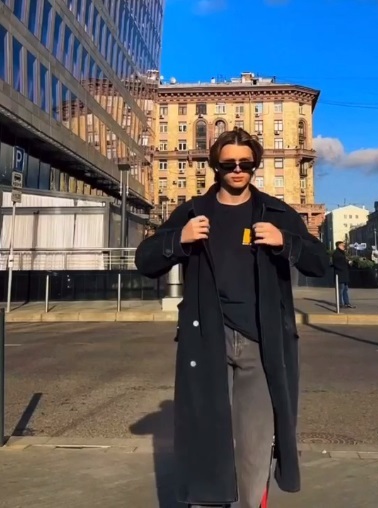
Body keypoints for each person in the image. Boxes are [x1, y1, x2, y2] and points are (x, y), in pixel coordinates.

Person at [135, 128, 329, 508]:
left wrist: (286, 242)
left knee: (255, 443)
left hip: (262, 342)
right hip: (208, 339)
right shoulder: (193, 212)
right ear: (215, 166)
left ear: (255, 166)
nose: (238, 170)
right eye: (229, 164)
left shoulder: (276, 213)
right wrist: (179, 239)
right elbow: (146, 261)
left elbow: (320, 263)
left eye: (246, 164)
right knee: (207, 438)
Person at [332, 241, 355, 308]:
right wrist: (344, 266)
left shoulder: (343, 253)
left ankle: (347, 303)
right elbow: (336, 264)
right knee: (340, 290)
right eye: (342, 245)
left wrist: (349, 263)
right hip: (340, 275)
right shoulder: (336, 254)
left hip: (345, 274)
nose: (344, 246)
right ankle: (340, 304)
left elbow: (344, 262)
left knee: (345, 289)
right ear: (338, 246)